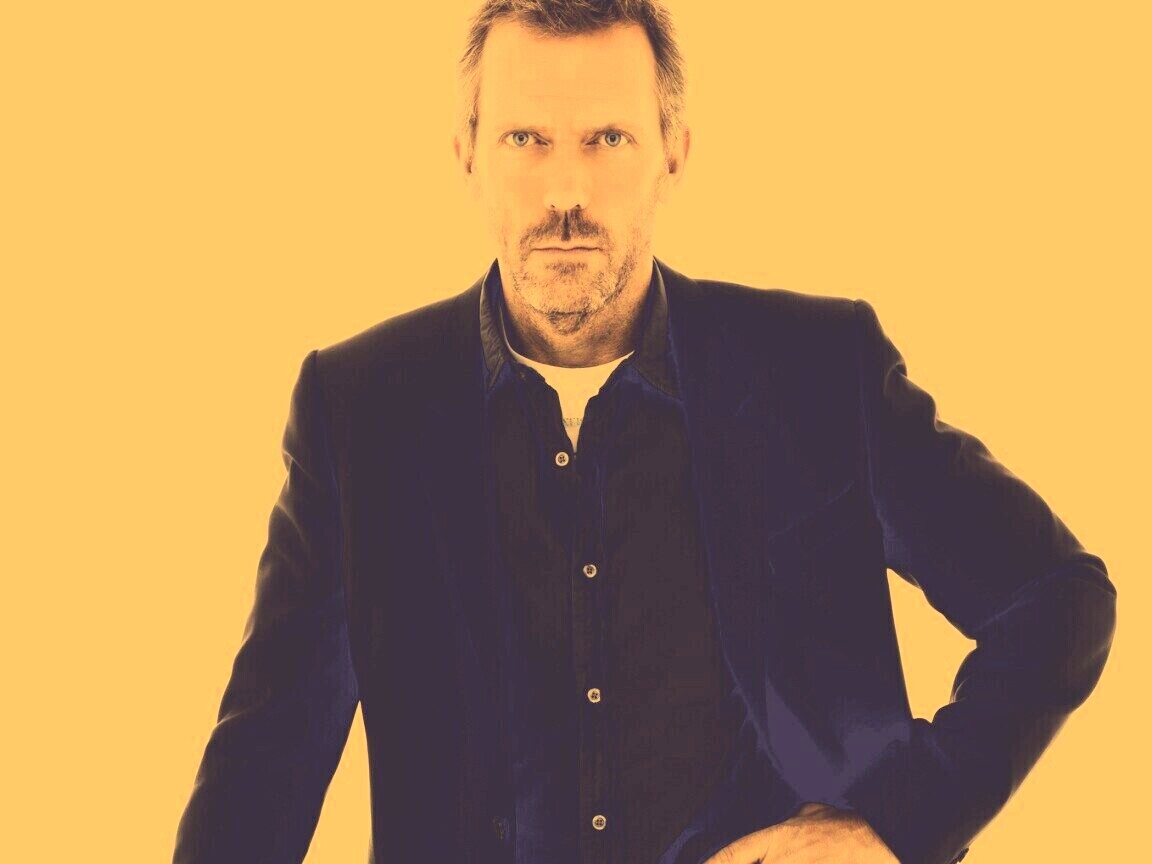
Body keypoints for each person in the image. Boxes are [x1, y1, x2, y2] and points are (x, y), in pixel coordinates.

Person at [172, 2, 1117, 863]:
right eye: (526, 139)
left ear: (673, 151)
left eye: (608, 138)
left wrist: (897, 824)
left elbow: (1055, 597)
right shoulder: (359, 410)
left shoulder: (821, 373)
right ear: (467, 152)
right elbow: (261, 773)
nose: (566, 191)